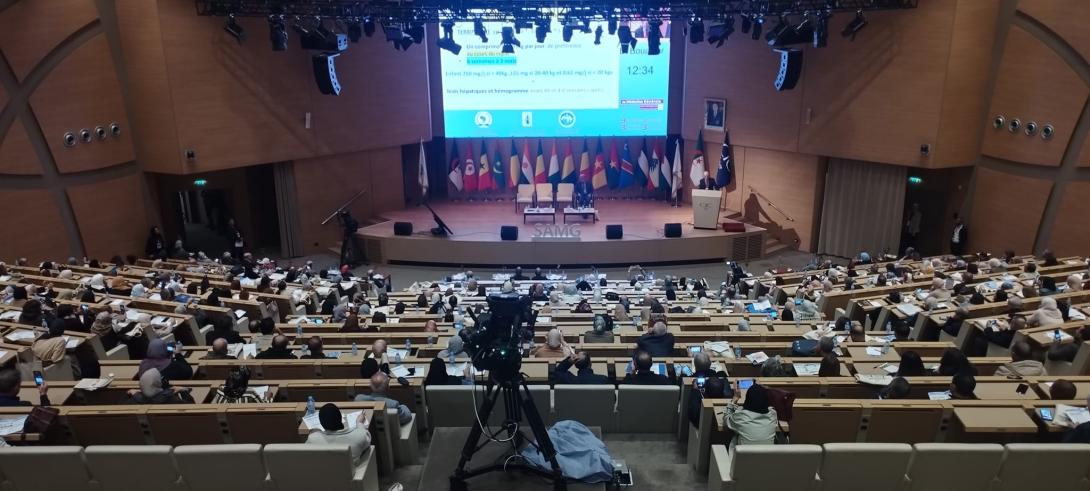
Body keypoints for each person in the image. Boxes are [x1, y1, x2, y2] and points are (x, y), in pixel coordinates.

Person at [306, 403, 372, 466]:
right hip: (350, 474)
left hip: (322, 474)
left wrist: (316, 433)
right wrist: (359, 423)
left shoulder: (313, 439)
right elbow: (367, 441)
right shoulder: (359, 435)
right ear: (340, 417)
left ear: (321, 424)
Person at [724, 382, 778, 451]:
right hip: (767, 460)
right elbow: (769, 408)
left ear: (748, 399)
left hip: (742, 460)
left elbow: (726, 419)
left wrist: (735, 399)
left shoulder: (741, 417)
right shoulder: (773, 415)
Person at [126, 368, 192, 404]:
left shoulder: (131, 401)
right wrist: (183, 392)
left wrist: (137, 394)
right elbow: (191, 409)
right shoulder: (173, 400)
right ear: (158, 383)